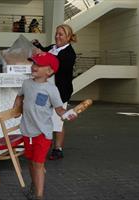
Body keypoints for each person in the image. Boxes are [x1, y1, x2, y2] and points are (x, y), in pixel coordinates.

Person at [13, 52, 77, 200]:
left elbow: (59, 109)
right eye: (33, 63)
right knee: (30, 162)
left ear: (49, 71)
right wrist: (16, 106)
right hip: (27, 131)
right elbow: (20, 95)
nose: (34, 66)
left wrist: (67, 114)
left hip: (42, 133)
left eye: (39, 65)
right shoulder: (26, 83)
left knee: (38, 164)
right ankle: (34, 185)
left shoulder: (51, 89)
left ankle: (39, 196)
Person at [32, 24, 77, 160]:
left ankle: (58, 149)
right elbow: (46, 51)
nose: (57, 36)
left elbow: (55, 65)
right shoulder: (53, 47)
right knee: (40, 115)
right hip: (43, 90)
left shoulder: (70, 54)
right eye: (56, 33)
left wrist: (43, 56)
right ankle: (41, 145)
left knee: (58, 121)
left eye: (61, 34)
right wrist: (39, 46)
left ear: (68, 37)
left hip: (59, 92)